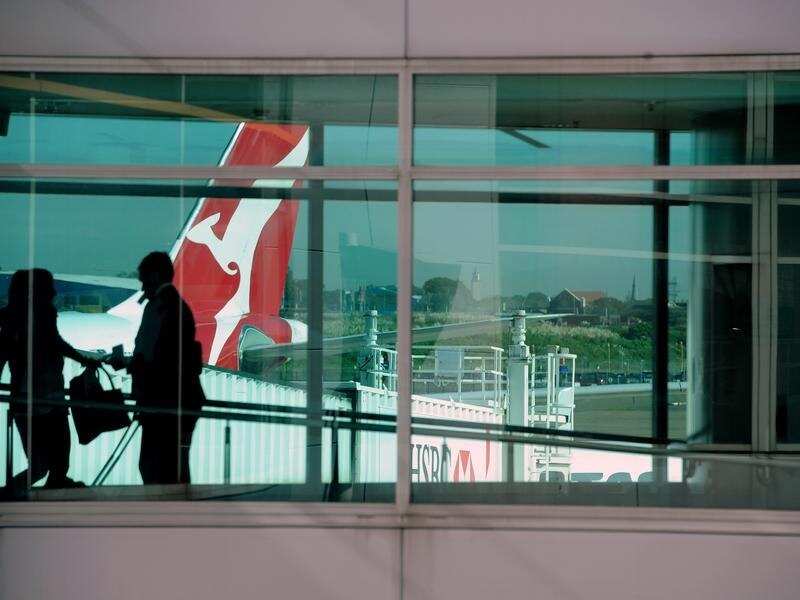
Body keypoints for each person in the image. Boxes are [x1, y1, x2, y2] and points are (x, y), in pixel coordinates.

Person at [107, 252, 204, 484]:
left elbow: (155, 357)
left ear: (155, 276)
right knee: (173, 467)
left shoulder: (159, 307)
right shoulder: (175, 306)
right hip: (179, 401)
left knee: (155, 467)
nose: (142, 287)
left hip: (164, 403)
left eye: (144, 280)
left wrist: (128, 364)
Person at [0, 269, 99, 490]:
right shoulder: (34, 315)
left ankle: (16, 494)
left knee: (47, 463)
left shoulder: (17, 317)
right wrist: (83, 358)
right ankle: (10, 495)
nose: (54, 292)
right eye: (49, 287)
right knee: (50, 461)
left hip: (36, 398)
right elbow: (55, 343)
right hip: (40, 398)